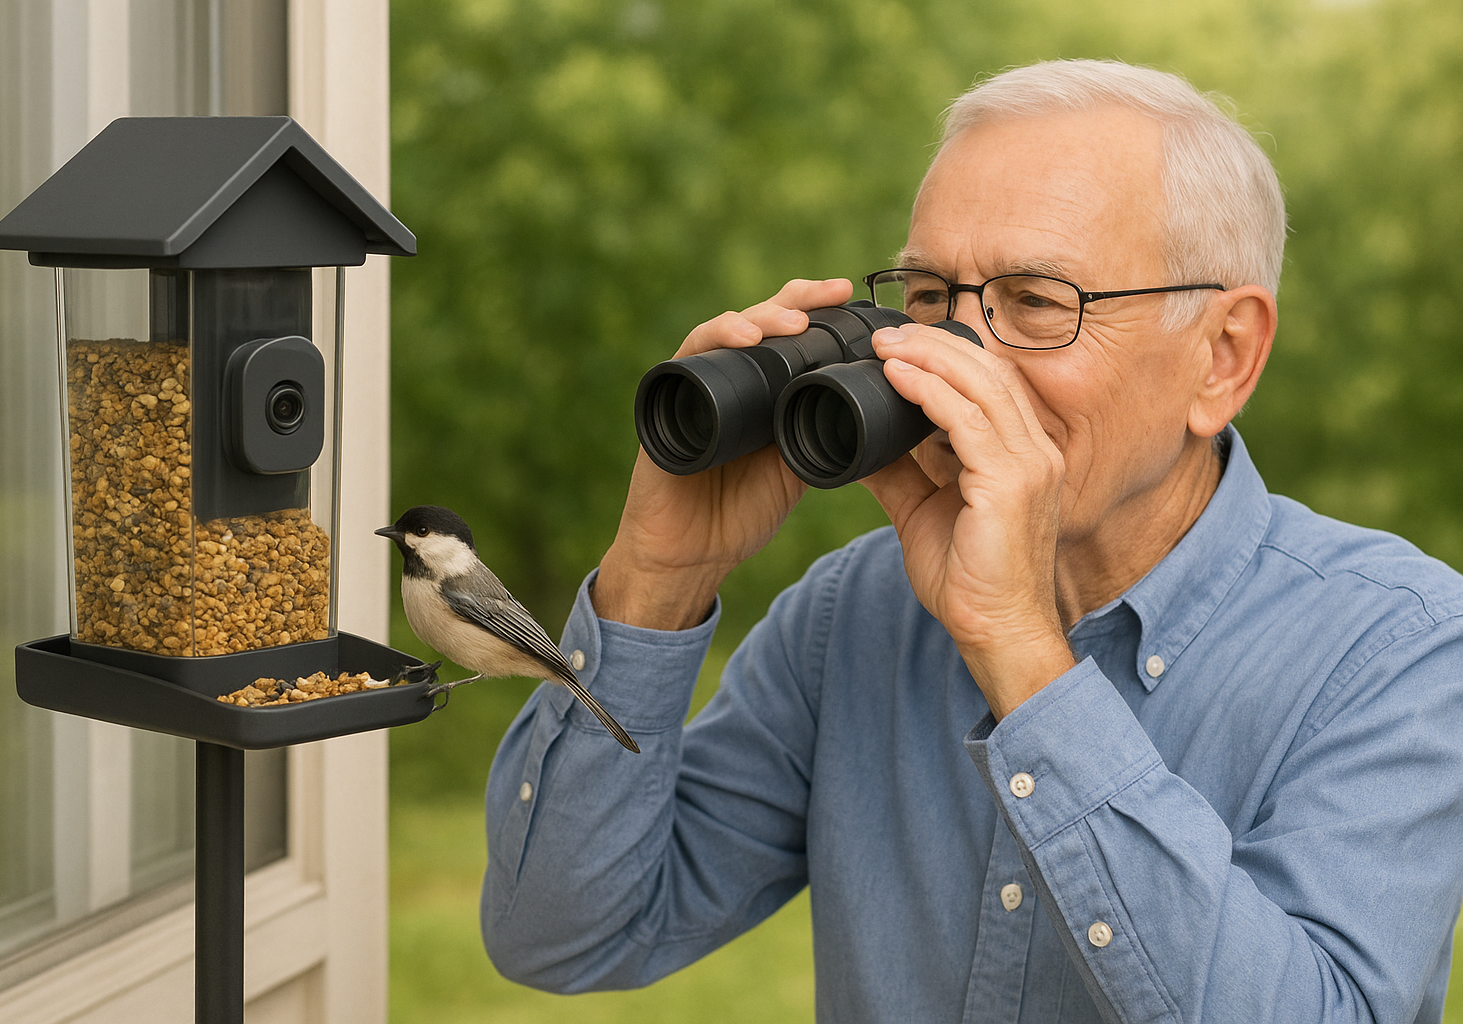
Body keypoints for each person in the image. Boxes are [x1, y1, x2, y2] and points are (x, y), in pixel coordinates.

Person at [478, 59, 1463, 1023]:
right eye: (928, 299)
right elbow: (565, 935)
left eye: (1036, 302)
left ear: (1223, 356)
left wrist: (1021, 652)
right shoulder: (851, 612)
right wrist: (659, 577)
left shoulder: (1400, 645)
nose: (958, 361)